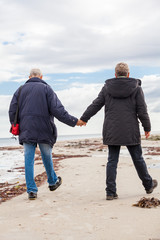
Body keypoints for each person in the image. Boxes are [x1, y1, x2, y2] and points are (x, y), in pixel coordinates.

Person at [80, 62, 158, 200]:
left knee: (112, 160)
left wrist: (84, 118)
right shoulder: (137, 89)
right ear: (128, 74)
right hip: (130, 129)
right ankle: (148, 185)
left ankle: (110, 192)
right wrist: (147, 128)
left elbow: (96, 104)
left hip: (112, 129)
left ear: (115, 75)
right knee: (138, 158)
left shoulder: (106, 88)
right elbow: (142, 110)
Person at [9, 69, 83, 200]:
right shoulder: (47, 89)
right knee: (46, 156)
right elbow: (58, 110)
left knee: (28, 159)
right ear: (41, 77)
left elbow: (12, 111)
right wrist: (74, 121)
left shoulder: (20, 90)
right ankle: (53, 182)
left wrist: (19, 125)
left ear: (29, 77)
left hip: (27, 129)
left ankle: (31, 191)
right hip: (44, 128)